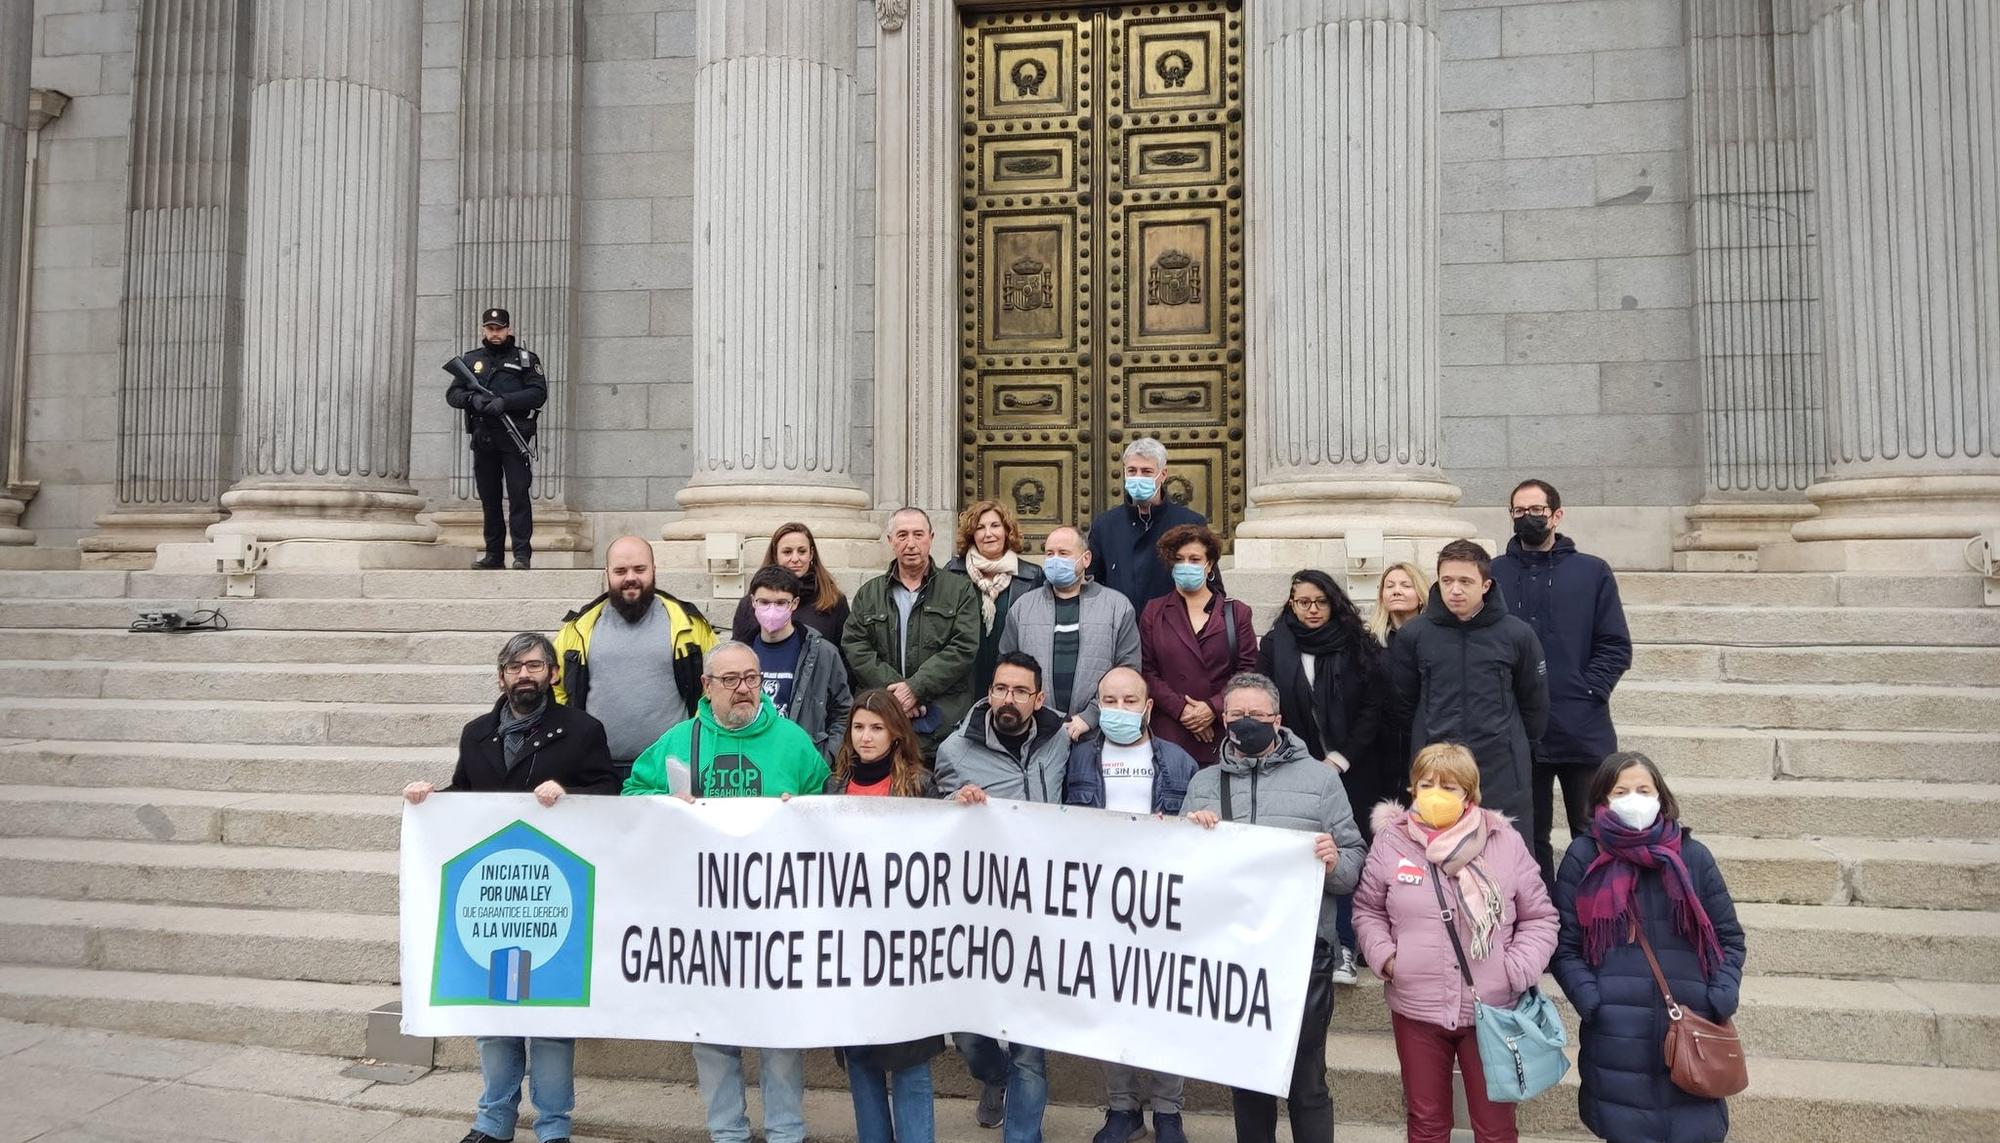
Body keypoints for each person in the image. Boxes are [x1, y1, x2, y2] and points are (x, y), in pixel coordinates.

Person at [402, 632, 616, 1143]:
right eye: (516, 667)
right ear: (501, 677)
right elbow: (466, 798)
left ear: (554, 674)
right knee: (493, 1015)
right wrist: (431, 800)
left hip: (554, 896)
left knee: (549, 1021)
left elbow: (610, 790)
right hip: (492, 897)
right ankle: (493, 1122)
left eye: (536, 666)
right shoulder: (476, 733)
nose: (526, 675)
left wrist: (570, 793)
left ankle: (553, 1128)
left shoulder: (583, 730)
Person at [622, 641, 829, 1143]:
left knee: (780, 1033)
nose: (743, 689)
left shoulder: (794, 741)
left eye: (752, 678)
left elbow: (826, 809)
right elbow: (631, 794)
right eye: (731, 679)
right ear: (707, 687)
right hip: (704, 917)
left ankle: (786, 1132)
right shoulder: (678, 740)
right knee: (712, 1034)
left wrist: (799, 810)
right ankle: (727, 1132)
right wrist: (672, 805)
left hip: (776, 916)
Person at [1182, 672, 1365, 1143]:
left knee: (1307, 1082)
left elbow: (1352, 866)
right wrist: (1187, 836)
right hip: (1233, 954)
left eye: (1256, 715)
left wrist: (1332, 862)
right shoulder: (1203, 783)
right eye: (1236, 715)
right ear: (1223, 720)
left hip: (1303, 955)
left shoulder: (1321, 781)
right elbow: (1183, 871)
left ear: (1278, 720)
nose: (1246, 723)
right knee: (1248, 1082)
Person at [1351, 743, 1559, 1143]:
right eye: (1426, 784)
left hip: (1493, 1010)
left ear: (1470, 793)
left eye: (1449, 786)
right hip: (1417, 1006)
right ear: (1412, 788)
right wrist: (1389, 959)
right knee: (1426, 1125)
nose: (1436, 794)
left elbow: (1541, 917)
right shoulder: (1392, 842)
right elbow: (1367, 910)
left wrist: (1514, 969)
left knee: (1495, 1129)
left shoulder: (1504, 840)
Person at [1553, 752, 1745, 1143]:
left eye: (1643, 789)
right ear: (1602, 801)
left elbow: (1729, 938)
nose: (1634, 799)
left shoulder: (1691, 856)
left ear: (1661, 796)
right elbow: (1564, 946)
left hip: (1693, 1028)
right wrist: (1592, 1001)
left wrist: (1720, 996)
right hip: (1617, 1037)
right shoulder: (1584, 856)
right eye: (1621, 791)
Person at [935, 651, 1071, 1143]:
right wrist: (955, 803)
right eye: (999, 689)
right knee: (971, 1033)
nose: (1007, 700)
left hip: (1039, 907)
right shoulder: (955, 749)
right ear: (988, 691)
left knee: (1030, 1048)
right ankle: (992, 1077)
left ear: (1037, 698)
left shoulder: (1061, 741)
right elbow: (938, 823)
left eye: (1018, 691)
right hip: (978, 911)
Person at [1062, 665, 1198, 1143]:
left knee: (1164, 1008)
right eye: (1109, 702)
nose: (1118, 710)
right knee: (1109, 1007)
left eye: (1128, 701)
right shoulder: (1074, 759)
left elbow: (1201, 831)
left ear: (1147, 706)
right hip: (1098, 902)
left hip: (1161, 904)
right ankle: (1122, 1109)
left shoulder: (1180, 762)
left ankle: (1168, 1112)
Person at [1489, 479, 1634, 885]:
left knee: (1592, 835)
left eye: (1536, 510)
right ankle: (1542, 930)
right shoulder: (1495, 574)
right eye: (1518, 511)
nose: (1527, 518)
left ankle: (1593, 924)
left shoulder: (1592, 571)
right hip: (1518, 733)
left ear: (1556, 514)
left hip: (1582, 730)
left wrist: (1589, 691)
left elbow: (1615, 644)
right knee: (1527, 841)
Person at [1257, 569, 1389, 986]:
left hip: (1354, 766)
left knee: (1345, 855)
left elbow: (1373, 707)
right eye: (1303, 602)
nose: (1312, 610)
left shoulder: (1357, 645)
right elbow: (1268, 700)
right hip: (1294, 766)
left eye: (1320, 601)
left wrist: (1340, 758)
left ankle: (1346, 944)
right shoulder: (1274, 645)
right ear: (1291, 603)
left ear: (1334, 603)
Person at [830, 689, 945, 1143]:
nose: (866, 737)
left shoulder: (920, 785)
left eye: (877, 727)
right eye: (859, 727)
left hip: (905, 953)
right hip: (851, 951)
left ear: (897, 733)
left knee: (910, 1063)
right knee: (860, 1061)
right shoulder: (833, 786)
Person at [1386, 540, 1548, 851]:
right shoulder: (1414, 635)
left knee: (1504, 857)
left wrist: (1510, 745)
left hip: (1501, 770)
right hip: (1435, 769)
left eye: (1466, 581)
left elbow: (1535, 705)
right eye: (1447, 581)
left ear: (1486, 585)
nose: (1455, 590)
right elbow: (1403, 704)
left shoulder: (1517, 634)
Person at [554, 535, 717, 783]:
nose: (631, 577)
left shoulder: (691, 626)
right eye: (620, 571)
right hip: (597, 769)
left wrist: (693, 739)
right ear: (606, 573)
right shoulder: (577, 629)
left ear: (654, 570)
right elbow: (555, 689)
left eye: (639, 569)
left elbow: (715, 687)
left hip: (669, 767)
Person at [844, 508, 984, 759]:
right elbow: (856, 646)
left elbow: (963, 647)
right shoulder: (869, 594)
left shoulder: (960, 590)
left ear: (931, 537)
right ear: (890, 541)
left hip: (942, 721)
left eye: (918, 534)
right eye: (902, 535)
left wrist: (916, 688)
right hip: (883, 721)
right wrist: (896, 696)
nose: (910, 543)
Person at [999, 525, 1140, 742]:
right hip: (1037, 734)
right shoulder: (1022, 607)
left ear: (1086, 559)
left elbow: (1128, 669)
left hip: (1096, 735)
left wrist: (1089, 717)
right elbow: (1006, 667)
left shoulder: (1117, 607)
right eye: (1049, 554)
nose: (1055, 560)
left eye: (1063, 554)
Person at [1137, 523, 1257, 767]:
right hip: (1170, 729)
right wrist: (1183, 711)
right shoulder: (1153, 611)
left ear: (1209, 564)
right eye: (1179, 559)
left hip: (1221, 728)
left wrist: (1212, 708)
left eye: (1194, 559)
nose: (1186, 565)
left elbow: (1248, 671)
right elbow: (1146, 671)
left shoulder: (1237, 613)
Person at [445, 307, 547, 570]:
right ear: (483, 330)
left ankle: (522, 555)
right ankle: (494, 554)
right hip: (484, 437)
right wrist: (473, 398)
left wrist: (505, 402)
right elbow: (453, 395)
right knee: (490, 499)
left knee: (518, 497)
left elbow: (538, 394)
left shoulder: (525, 359)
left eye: (499, 328)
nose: (495, 333)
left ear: (508, 329)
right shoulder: (470, 361)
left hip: (513, 436)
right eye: (490, 328)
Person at [1087, 437, 1218, 612]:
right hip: (1121, 630)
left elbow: (1211, 585)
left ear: (1162, 475)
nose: (1138, 477)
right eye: (1132, 471)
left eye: (1146, 471)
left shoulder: (1191, 523)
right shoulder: (1105, 525)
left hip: (1173, 628)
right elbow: (1093, 584)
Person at [743, 565, 853, 762]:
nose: (771, 610)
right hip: (749, 759)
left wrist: (825, 757)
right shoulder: (740, 653)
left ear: (794, 604)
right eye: (764, 602)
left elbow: (844, 712)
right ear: (753, 602)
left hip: (802, 762)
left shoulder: (822, 653)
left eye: (780, 603)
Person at [945, 499, 1047, 696]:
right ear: (971, 534)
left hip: (1011, 677)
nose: (988, 534)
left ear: (1007, 531)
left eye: (995, 526)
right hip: (964, 676)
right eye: (980, 528)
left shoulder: (1032, 575)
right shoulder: (953, 572)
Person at [730, 522, 852, 645]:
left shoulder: (833, 600)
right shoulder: (751, 604)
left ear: (811, 554)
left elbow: (843, 655)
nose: (795, 559)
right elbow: (738, 652)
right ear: (775, 555)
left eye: (802, 551)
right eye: (787, 552)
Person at [1369, 561, 1430, 646]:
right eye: (1390, 586)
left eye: (1406, 586)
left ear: (1420, 596)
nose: (1396, 591)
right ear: (1382, 597)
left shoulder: (1434, 638)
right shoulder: (1370, 642)